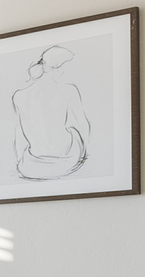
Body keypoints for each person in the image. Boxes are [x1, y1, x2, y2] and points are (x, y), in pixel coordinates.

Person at [10, 46, 89, 180]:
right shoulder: (69, 90)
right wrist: (84, 152)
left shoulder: (19, 96)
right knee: (73, 131)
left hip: (32, 162)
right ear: (58, 68)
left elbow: (19, 132)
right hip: (65, 158)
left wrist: (20, 159)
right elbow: (83, 125)